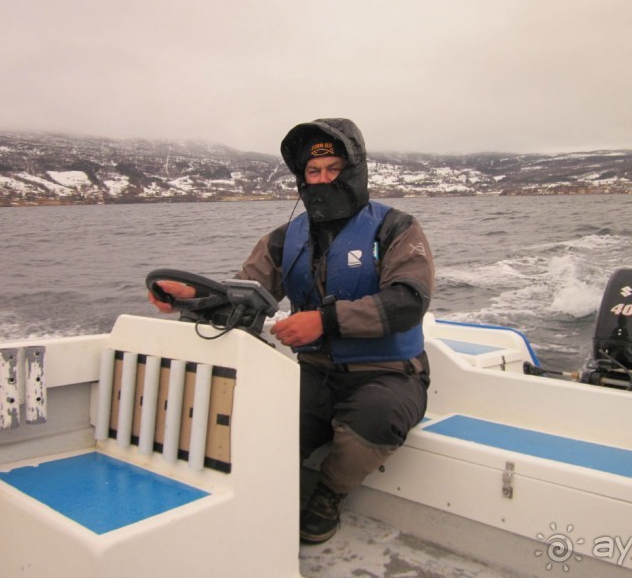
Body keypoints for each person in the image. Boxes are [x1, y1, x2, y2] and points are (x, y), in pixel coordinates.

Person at [148, 118, 434, 544]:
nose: (322, 180)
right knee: (264, 415)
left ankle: (329, 493)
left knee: (376, 418)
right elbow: (242, 297)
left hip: (389, 372)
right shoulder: (283, 240)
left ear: (354, 171)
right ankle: (259, 494)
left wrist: (324, 320)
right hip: (315, 372)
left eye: (333, 169)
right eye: (312, 172)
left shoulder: (397, 228)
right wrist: (188, 296)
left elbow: (409, 300)